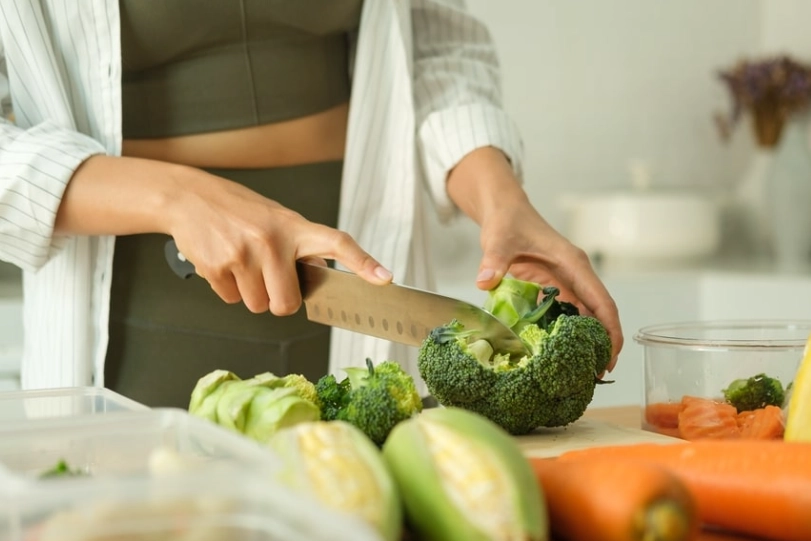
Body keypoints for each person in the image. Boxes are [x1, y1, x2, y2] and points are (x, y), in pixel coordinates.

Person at [0, 0, 623, 408]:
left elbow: (432, 45)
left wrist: (499, 198)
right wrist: (180, 197)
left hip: (357, 275)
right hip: (131, 316)